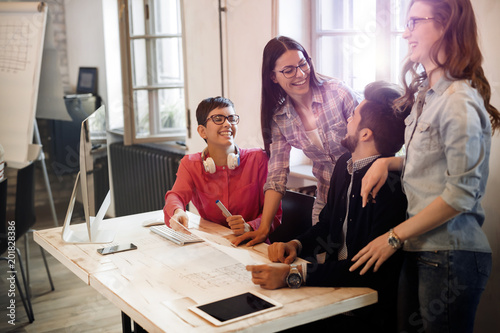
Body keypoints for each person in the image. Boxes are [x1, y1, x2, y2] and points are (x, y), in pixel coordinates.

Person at [350, 1, 500, 332]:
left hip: (450, 253)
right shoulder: (427, 95)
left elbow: (461, 194)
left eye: (414, 22)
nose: (406, 33)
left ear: (445, 25)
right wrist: (388, 162)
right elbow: (429, 163)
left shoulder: (458, 100)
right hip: (419, 246)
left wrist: (391, 238)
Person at [246, 81, 409, 332]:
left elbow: (364, 270)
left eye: (353, 116)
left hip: (364, 312)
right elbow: (326, 224)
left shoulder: (389, 186)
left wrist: (295, 275)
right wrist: (296, 244)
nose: (347, 120)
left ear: (365, 134)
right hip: (332, 297)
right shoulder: (345, 164)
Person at [233, 36, 360, 246]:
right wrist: (263, 229)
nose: (300, 74)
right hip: (327, 202)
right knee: (324, 270)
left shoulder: (337, 93)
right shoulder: (280, 118)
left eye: (303, 64)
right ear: (273, 76)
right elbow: (277, 175)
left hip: (363, 196)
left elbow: (372, 139)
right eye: (288, 70)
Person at [163, 97, 282, 236]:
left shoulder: (258, 159)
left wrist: (249, 227)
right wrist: (177, 212)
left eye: (231, 118)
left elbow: (275, 214)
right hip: (213, 243)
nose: (227, 124)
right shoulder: (190, 164)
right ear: (202, 131)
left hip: (252, 243)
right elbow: (176, 196)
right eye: (218, 119)